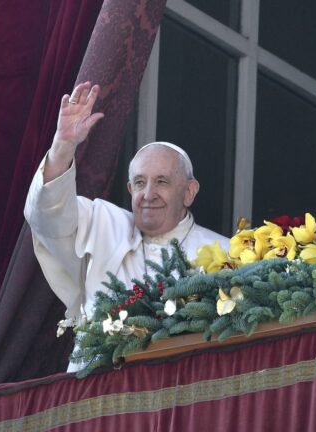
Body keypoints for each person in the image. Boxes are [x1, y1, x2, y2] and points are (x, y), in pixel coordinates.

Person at [24, 82, 229, 369]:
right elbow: (47, 215)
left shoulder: (225, 254)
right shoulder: (102, 224)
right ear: (130, 189)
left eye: (162, 182)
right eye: (140, 183)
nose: (148, 194)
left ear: (189, 192)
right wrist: (63, 146)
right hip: (96, 393)